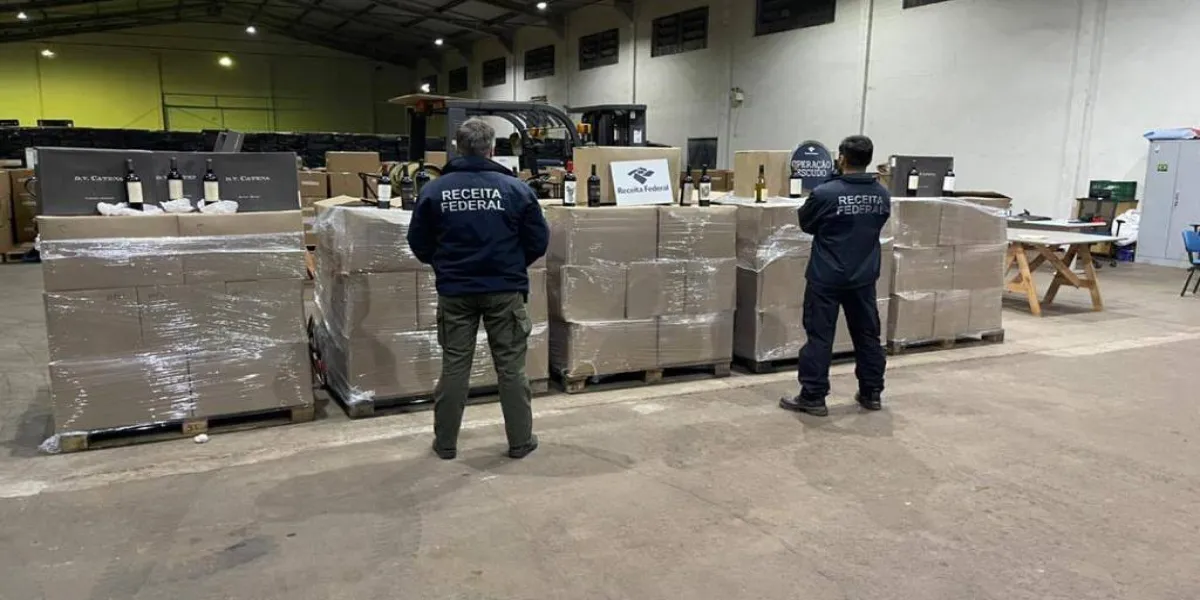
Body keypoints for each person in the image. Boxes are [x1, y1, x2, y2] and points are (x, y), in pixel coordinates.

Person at [407, 118, 549, 460]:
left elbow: (419, 242)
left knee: (455, 366)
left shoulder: (434, 191)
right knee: (511, 368)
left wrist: (445, 266)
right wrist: (511, 266)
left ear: (457, 147)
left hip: (456, 291)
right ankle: (520, 441)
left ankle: (446, 443)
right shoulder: (516, 190)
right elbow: (538, 241)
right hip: (505, 290)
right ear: (493, 148)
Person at [781, 135, 891, 417]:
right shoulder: (881, 194)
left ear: (841, 158)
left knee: (820, 336)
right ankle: (871, 392)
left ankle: (813, 396)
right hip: (864, 276)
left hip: (826, 276)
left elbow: (806, 223)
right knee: (867, 335)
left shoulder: (825, 193)